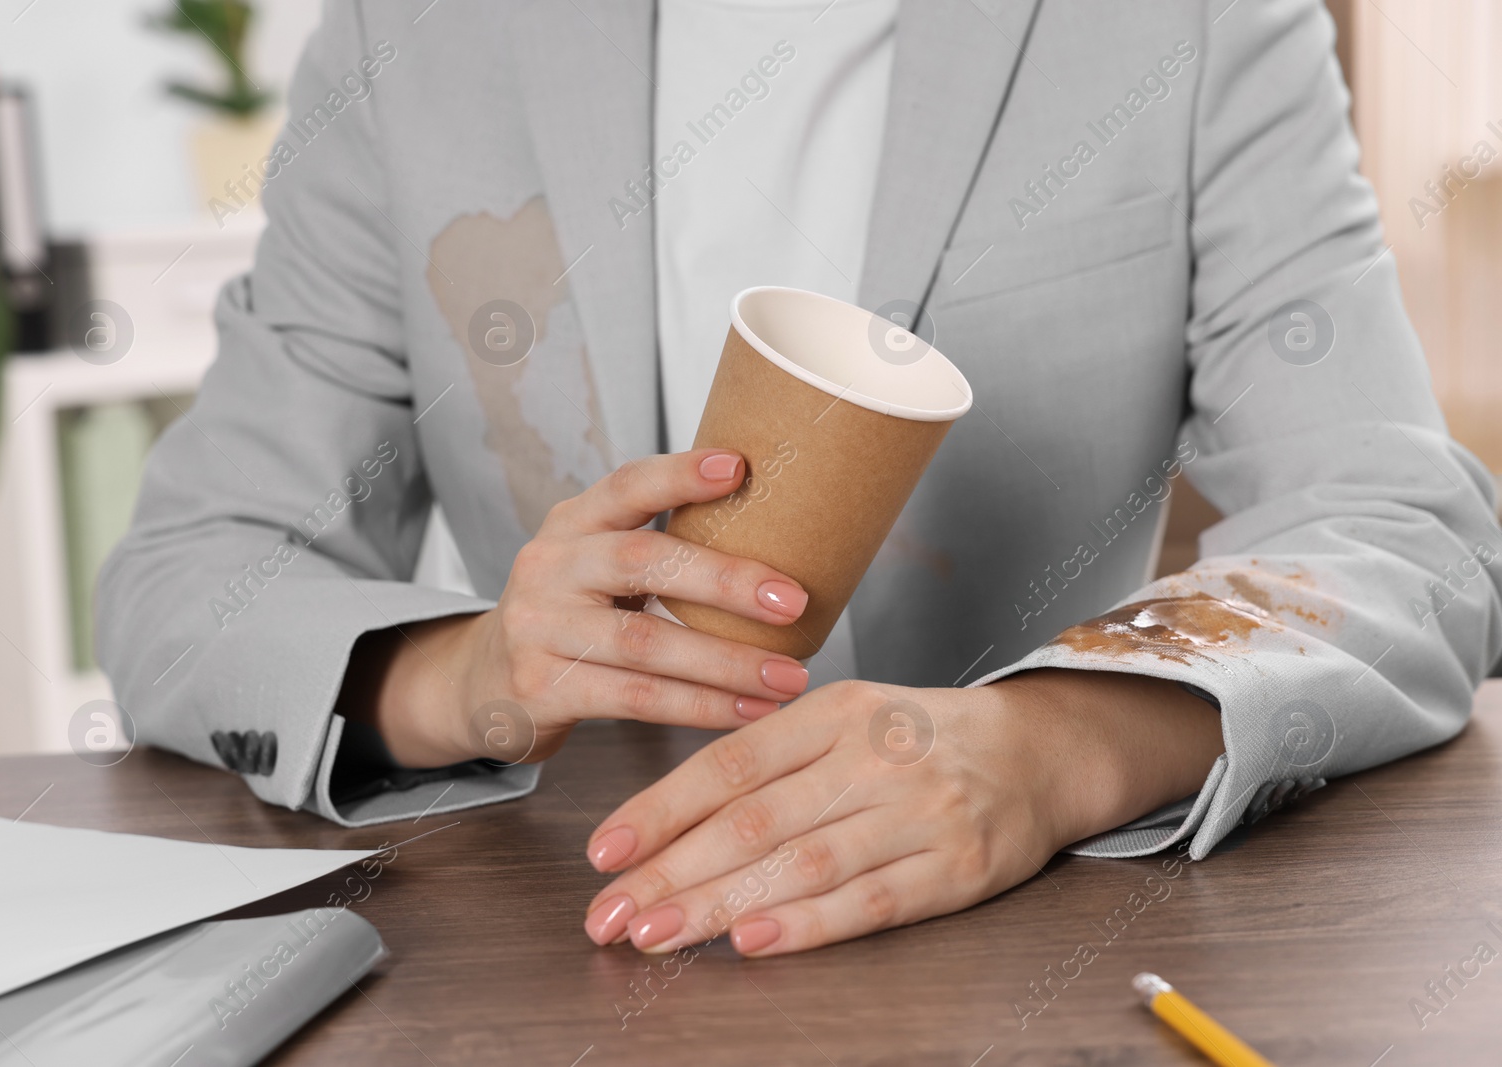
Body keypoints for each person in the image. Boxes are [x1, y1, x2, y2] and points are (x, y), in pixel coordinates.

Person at [98, 0, 1502, 959]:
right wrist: (476, 673)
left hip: (1032, 933)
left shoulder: (1193, 24)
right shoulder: (416, 34)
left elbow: (1407, 533)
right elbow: (189, 579)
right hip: (574, 927)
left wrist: (1056, 749)